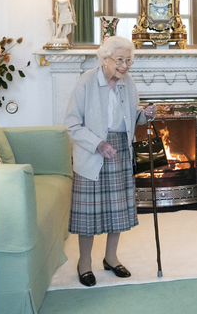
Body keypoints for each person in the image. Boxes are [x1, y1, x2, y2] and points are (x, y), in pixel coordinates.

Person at [64, 36, 157, 287]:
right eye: (120, 60)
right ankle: (84, 262)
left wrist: (144, 113)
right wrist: (97, 144)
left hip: (120, 151)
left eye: (129, 61)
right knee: (89, 214)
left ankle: (111, 258)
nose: (125, 66)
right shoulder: (86, 82)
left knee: (117, 211)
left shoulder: (128, 82)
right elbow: (72, 124)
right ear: (105, 59)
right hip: (93, 151)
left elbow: (131, 116)